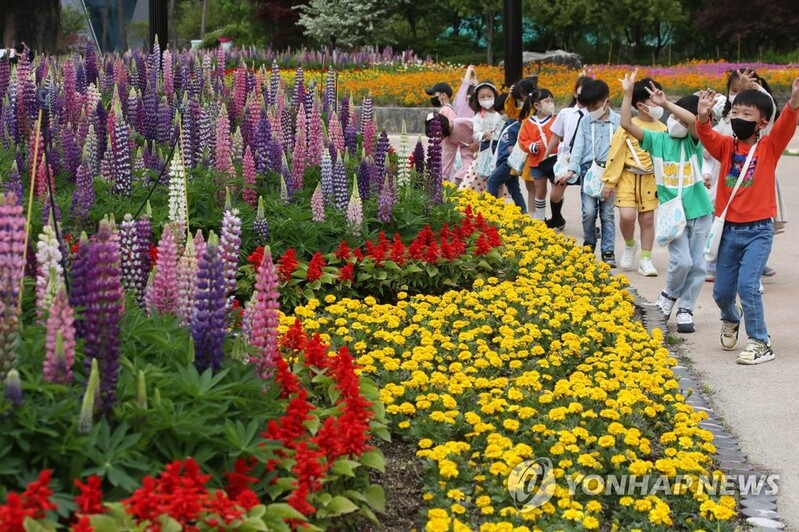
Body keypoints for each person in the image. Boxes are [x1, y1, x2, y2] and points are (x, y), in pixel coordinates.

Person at [695, 76, 799, 364]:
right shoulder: (726, 147)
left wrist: (794, 101)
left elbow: (787, 124)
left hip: (758, 231)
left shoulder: (769, 147)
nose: (738, 118)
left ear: (762, 123)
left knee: (748, 287)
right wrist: (703, 117)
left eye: (746, 115)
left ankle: (760, 341)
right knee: (721, 293)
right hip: (728, 231)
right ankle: (731, 317)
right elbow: (705, 135)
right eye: (735, 113)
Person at [620, 71, 715, 333]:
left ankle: (686, 307)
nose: (674, 121)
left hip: (699, 212)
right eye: (672, 117)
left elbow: (696, 123)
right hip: (674, 215)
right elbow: (627, 125)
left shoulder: (694, 140)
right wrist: (628, 94)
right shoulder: (657, 139)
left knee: (697, 265)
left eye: (678, 118)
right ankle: (669, 295)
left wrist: (665, 104)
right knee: (682, 261)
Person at [703, 69, 780, 282]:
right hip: (727, 175)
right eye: (733, 90)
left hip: (755, 177)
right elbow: (710, 137)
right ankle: (712, 262)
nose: (736, 95)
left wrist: (755, 88)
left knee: (755, 224)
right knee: (719, 217)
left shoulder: (761, 125)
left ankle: (755, 263)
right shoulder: (728, 117)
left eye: (742, 91)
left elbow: (770, 109)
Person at [602, 77, 666, 277]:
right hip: (628, 177)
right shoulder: (628, 126)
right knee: (627, 216)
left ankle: (646, 259)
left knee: (647, 220)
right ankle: (630, 244)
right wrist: (609, 182)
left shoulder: (664, 129)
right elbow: (616, 154)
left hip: (650, 179)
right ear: (640, 105)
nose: (658, 104)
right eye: (653, 100)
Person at [562, 79, 618, 267]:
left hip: (610, 172)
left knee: (608, 213)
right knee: (589, 211)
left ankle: (608, 250)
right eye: (589, 108)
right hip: (588, 171)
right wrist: (572, 170)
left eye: (594, 107)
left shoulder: (617, 121)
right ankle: (589, 241)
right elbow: (578, 146)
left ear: (606, 102)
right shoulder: (585, 121)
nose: (591, 111)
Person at [543, 75, 589, 230]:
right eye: (583, 89)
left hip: (587, 158)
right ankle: (557, 218)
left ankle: (589, 226)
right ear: (575, 93)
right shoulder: (565, 113)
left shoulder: (594, 115)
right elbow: (556, 134)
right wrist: (546, 154)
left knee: (588, 195)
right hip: (566, 158)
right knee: (556, 191)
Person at [517, 88, 558, 219]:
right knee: (540, 191)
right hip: (537, 162)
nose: (550, 104)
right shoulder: (529, 123)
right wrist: (532, 146)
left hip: (555, 161)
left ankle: (557, 216)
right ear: (537, 105)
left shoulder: (556, 120)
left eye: (552, 101)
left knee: (557, 192)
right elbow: (522, 140)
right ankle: (540, 219)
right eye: (547, 101)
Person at [487, 94, 527, 212]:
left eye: (503, 111)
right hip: (504, 161)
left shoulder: (518, 124)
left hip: (508, 162)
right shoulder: (508, 123)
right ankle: (523, 211)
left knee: (492, 181)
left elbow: (521, 139)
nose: (502, 114)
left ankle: (492, 209)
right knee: (514, 189)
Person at [425, 111, 475, 185]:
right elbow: (447, 158)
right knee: (468, 168)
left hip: (482, 143)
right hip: (467, 149)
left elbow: (479, 126)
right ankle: (455, 187)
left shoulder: (460, 122)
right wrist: (443, 177)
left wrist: (477, 143)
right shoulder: (448, 140)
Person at [469, 82, 504, 177]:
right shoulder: (478, 116)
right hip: (485, 147)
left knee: (498, 176)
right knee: (487, 175)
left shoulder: (500, 114)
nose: (486, 99)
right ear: (477, 99)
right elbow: (476, 134)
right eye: (482, 97)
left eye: (489, 96)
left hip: (500, 147)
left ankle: (498, 191)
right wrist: (484, 134)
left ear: (495, 96)